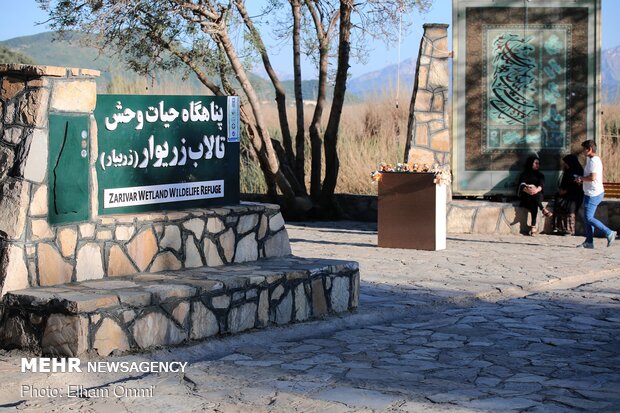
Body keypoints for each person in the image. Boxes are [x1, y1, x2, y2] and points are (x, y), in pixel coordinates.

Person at [575, 140, 617, 248]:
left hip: (594, 193)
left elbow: (592, 177)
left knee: (588, 218)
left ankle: (609, 232)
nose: (583, 151)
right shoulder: (590, 159)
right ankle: (589, 242)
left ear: (589, 149)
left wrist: (581, 179)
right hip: (590, 192)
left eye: (584, 149)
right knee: (587, 218)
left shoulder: (594, 161)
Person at [518, 154, 552, 236]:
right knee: (534, 202)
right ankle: (542, 209)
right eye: (535, 163)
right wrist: (528, 190)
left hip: (537, 194)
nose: (537, 165)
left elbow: (541, 186)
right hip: (527, 195)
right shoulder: (524, 174)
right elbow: (521, 185)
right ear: (531, 164)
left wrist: (535, 190)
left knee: (535, 200)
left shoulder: (540, 175)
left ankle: (533, 226)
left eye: (538, 163)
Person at [553, 154, 584, 235]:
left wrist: (566, 191)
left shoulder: (579, 170)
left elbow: (578, 186)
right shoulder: (567, 171)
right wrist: (561, 190)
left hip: (575, 194)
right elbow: (563, 183)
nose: (565, 165)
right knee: (558, 200)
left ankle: (569, 229)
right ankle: (559, 227)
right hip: (566, 194)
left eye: (566, 163)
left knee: (571, 205)